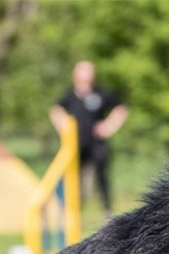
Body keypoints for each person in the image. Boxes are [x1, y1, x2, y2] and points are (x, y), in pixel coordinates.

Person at [49, 61, 128, 215]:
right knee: (72, 179)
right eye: (83, 71)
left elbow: (121, 108)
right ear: (75, 74)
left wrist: (109, 126)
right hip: (75, 145)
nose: (86, 75)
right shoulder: (70, 95)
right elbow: (56, 109)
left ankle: (106, 211)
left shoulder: (101, 94)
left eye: (89, 71)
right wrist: (62, 125)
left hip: (96, 143)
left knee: (102, 177)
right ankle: (70, 211)